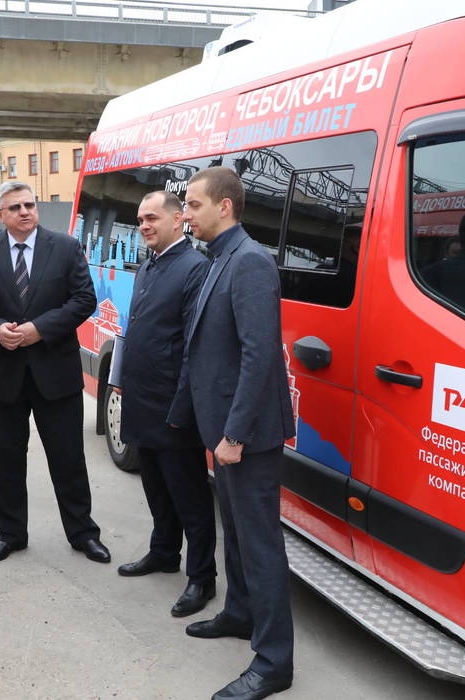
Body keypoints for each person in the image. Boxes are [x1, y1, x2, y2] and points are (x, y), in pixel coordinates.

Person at [168, 167, 296, 700]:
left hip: (246, 436)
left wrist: (236, 434)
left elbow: (258, 354)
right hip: (220, 428)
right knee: (237, 534)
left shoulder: (248, 263)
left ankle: (273, 663)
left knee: (260, 544)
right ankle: (241, 614)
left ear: (225, 206)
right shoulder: (218, 259)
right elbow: (204, 347)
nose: (186, 214)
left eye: (194, 205)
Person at [0, 182, 109, 566]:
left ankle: (83, 533)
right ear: (0, 215)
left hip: (55, 372)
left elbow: (84, 299)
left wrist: (40, 328)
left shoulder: (66, 247)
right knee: (6, 458)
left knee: (68, 457)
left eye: (30, 204)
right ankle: (9, 534)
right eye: (15, 207)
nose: (25, 212)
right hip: (5, 373)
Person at [114, 191, 217, 617]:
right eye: (140, 219)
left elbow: (195, 347)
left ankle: (202, 577)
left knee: (189, 494)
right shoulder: (150, 265)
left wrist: (183, 408)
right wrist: (119, 382)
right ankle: (163, 551)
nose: (144, 225)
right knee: (154, 485)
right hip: (141, 398)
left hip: (174, 406)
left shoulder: (194, 269)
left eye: (152, 218)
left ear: (179, 220)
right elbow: (136, 330)